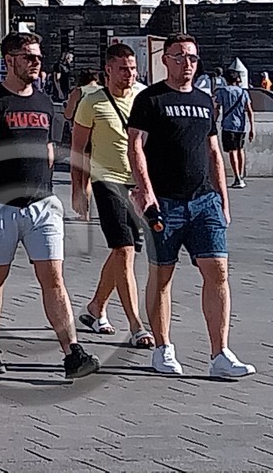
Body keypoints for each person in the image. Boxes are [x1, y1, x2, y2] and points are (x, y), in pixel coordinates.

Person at [0, 31, 100, 380]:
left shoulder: (43, 103)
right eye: (28, 57)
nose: (36, 63)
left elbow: (50, 149)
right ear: (9, 60)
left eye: (38, 57)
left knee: (54, 278)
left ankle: (72, 351)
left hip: (42, 205)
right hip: (0, 205)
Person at [128, 34, 255, 379]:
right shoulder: (150, 99)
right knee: (162, 274)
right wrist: (146, 192)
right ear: (165, 60)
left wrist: (222, 197)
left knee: (218, 272)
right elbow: (136, 146)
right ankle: (163, 347)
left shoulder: (203, 100)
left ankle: (220, 353)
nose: (187, 64)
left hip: (204, 202)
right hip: (165, 203)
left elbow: (213, 151)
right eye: (180, 57)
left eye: (193, 58)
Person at [70, 43, 153, 349]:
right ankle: (136, 325)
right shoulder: (91, 101)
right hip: (108, 182)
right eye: (122, 68)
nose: (129, 75)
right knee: (124, 251)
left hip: (139, 184)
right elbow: (78, 149)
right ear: (108, 70)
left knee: (123, 252)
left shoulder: (143, 97)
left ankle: (95, 308)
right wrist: (78, 190)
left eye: (132, 68)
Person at [213, 67, 254, 189]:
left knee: (232, 151)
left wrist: (214, 122)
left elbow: (217, 109)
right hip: (241, 126)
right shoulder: (243, 92)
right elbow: (249, 110)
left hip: (228, 125)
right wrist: (252, 127)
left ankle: (237, 176)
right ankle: (241, 175)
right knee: (240, 149)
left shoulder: (223, 92)